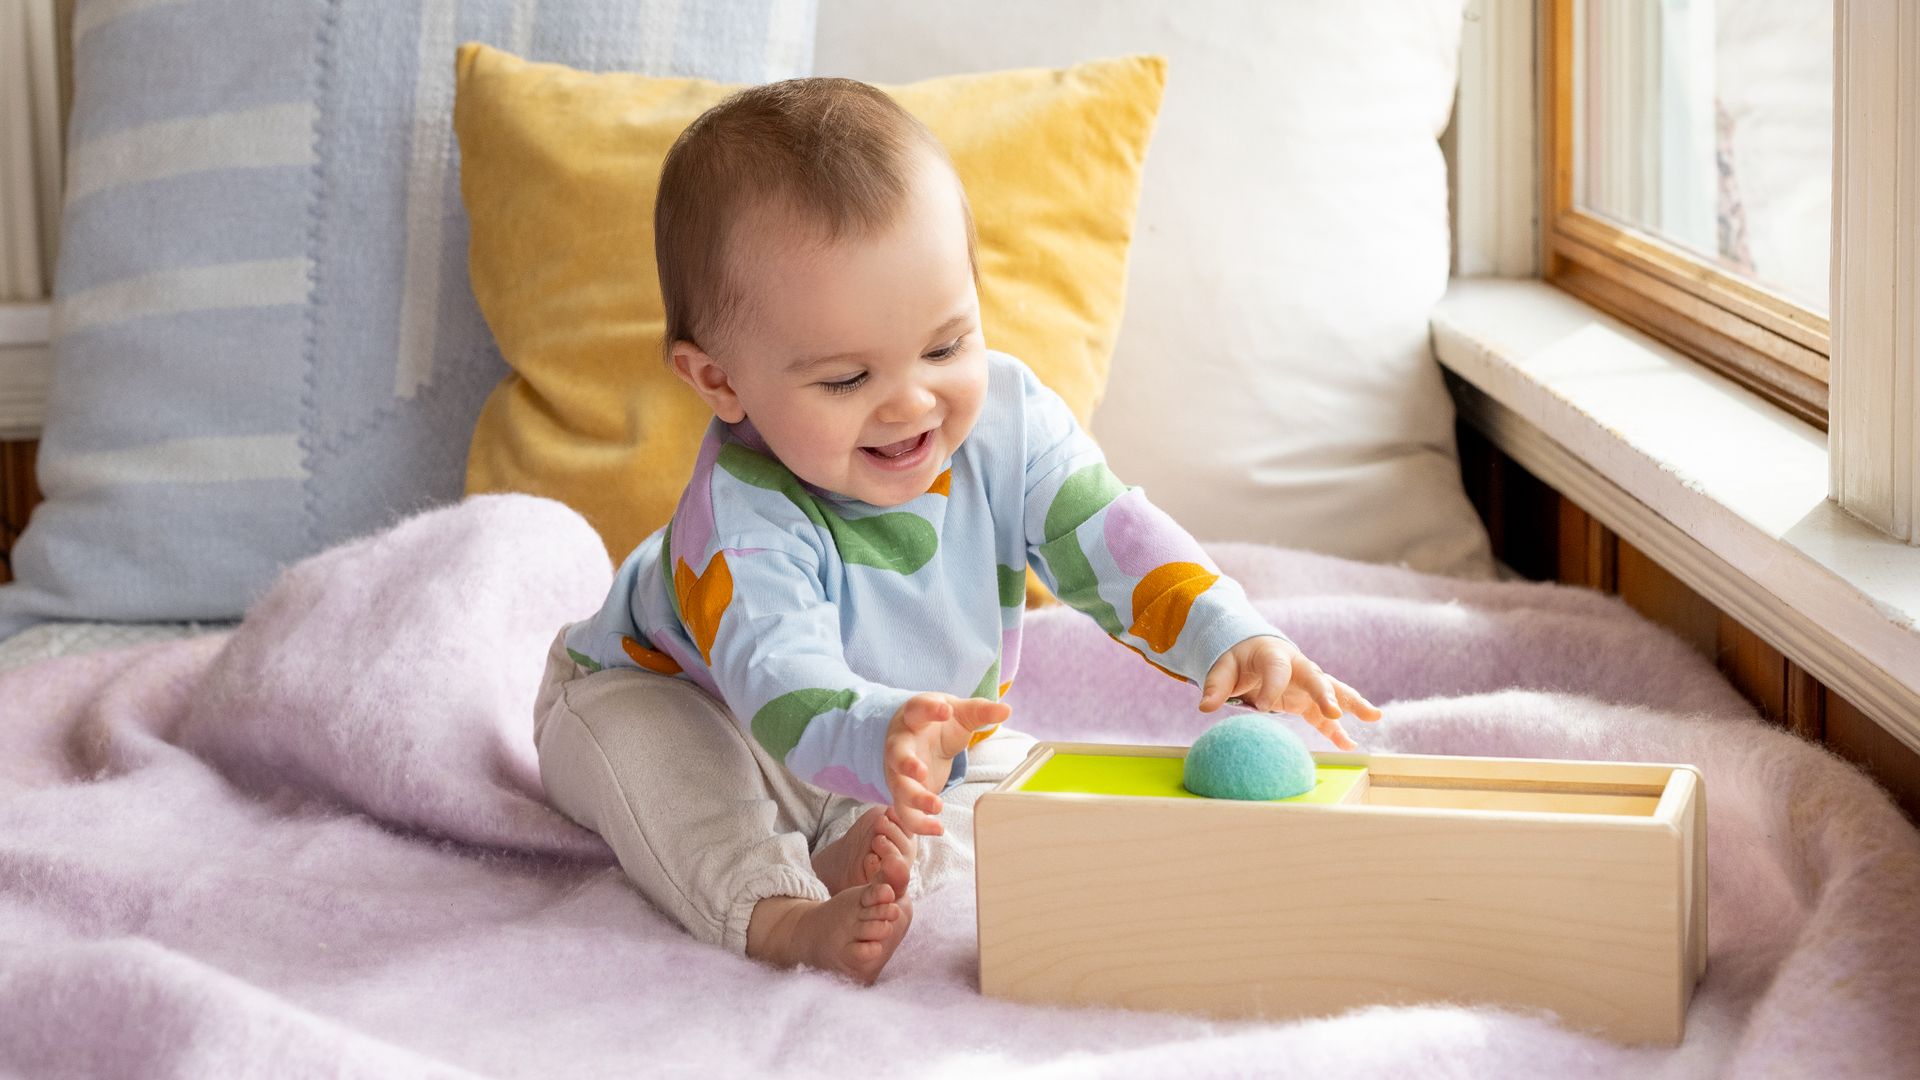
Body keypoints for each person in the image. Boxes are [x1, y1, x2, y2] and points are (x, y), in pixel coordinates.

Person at [530, 76, 1383, 986]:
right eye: (845, 379)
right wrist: (881, 736)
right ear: (722, 383)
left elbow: (1111, 533)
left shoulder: (1008, 419)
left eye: (945, 346)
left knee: (1007, 777)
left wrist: (1230, 632)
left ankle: (850, 836)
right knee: (675, 775)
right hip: (671, 693)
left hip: (881, 728)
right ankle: (779, 912)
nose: (912, 403)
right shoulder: (741, 515)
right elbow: (779, 682)